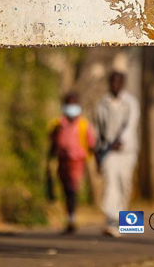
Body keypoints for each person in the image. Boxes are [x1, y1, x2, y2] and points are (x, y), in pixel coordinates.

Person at [94, 71, 140, 237]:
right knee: (110, 184)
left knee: (124, 185)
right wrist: (99, 150)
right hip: (109, 152)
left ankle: (127, 223)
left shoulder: (131, 102)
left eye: (118, 81)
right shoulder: (102, 103)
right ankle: (111, 222)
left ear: (123, 83)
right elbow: (98, 127)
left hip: (127, 151)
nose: (115, 84)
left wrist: (121, 140)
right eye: (112, 81)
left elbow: (131, 124)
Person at [48, 92, 96, 234]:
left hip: (77, 161)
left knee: (72, 187)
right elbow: (52, 143)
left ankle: (72, 217)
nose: (71, 107)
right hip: (62, 160)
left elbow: (91, 144)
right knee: (65, 189)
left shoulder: (83, 124)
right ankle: (69, 216)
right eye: (69, 104)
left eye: (74, 104)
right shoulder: (58, 123)